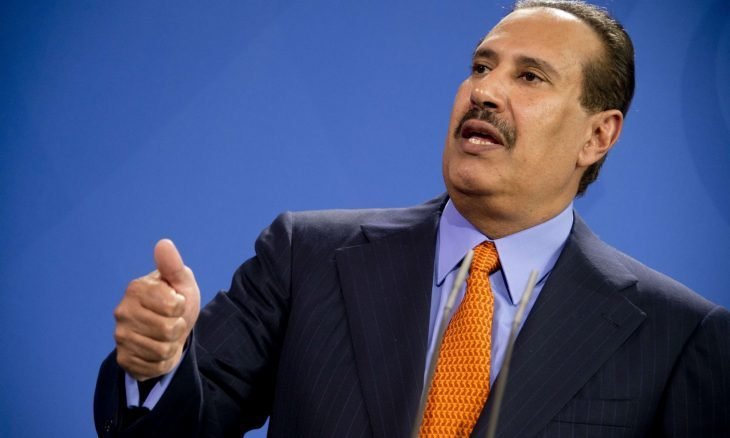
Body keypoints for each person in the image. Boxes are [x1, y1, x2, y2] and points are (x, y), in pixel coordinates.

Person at [95, 1, 730, 436]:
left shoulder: (677, 336)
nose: (484, 90)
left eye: (531, 76)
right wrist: (155, 367)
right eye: (481, 66)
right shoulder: (305, 257)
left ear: (598, 136)